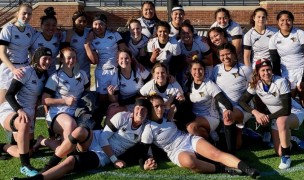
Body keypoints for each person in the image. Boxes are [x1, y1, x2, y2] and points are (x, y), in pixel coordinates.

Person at [13, 99, 156, 180]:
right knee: (80, 130)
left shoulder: (146, 128)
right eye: (137, 109)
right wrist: (115, 160)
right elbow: (104, 137)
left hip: (103, 155)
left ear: (147, 113)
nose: (139, 112)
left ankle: (35, 178)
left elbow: (146, 147)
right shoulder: (122, 116)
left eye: (143, 110)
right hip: (97, 139)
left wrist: (149, 159)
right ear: (133, 109)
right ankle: (47, 168)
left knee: (70, 160)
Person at [140, 94, 259, 178]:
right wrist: (144, 166)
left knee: (216, 154)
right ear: (150, 108)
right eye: (156, 106)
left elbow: (180, 106)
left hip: (188, 139)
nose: (160, 108)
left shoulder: (167, 115)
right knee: (190, 162)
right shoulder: (148, 129)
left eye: (161, 105)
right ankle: (223, 169)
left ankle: (247, 169)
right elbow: (143, 152)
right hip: (176, 151)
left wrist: (176, 100)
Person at [239, 59, 304, 169]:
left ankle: (286, 157)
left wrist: (267, 117)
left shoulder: (280, 81)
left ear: (272, 70)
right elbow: (242, 101)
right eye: (263, 70)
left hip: (294, 113)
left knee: (281, 121)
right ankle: (293, 139)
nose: (266, 73)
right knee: (279, 151)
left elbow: (286, 110)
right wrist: (256, 113)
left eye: (268, 69)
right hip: (276, 117)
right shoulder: (256, 83)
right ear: (258, 72)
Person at [0, 47, 52, 177]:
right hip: (11, 110)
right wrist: (19, 110)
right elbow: (9, 95)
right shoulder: (25, 72)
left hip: (27, 114)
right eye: (44, 58)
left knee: (24, 152)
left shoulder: (45, 76)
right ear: (36, 59)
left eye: (50, 59)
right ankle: (25, 167)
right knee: (23, 123)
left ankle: (2, 146)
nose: (47, 61)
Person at [38, 47, 89, 153]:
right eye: (68, 58)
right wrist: (64, 101)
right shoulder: (55, 77)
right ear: (61, 59)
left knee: (82, 146)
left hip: (77, 113)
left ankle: (43, 140)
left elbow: (87, 93)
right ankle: (69, 153)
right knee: (70, 125)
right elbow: (44, 100)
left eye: (74, 58)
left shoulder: (82, 75)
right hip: (58, 114)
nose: (71, 60)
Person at [84, 13, 127, 129]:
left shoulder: (114, 34)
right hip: (102, 72)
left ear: (106, 25)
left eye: (101, 24)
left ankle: (114, 124)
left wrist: (120, 57)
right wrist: (87, 44)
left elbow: (123, 48)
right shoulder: (92, 39)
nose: (98, 27)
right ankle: (98, 126)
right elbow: (94, 61)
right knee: (102, 100)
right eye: (95, 24)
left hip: (116, 71)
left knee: (115, 98)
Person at [211, 43, 252, 153]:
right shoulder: (216, 69)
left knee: (228, 116)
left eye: (228, 54)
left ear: (234, 54)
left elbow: (254, 87)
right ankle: (240, 130)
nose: (225, 57)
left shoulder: (245, 69)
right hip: (220, 109)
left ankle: (231, 155)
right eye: (222, 55)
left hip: (239, 107)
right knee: (238, 144)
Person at [182, 60, 233, 140]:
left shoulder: (209, 85)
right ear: (190, 71)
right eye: (194, 69)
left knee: (191, 127)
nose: (197, 72)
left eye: (200, 69)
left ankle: (210, 141)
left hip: (210, 117)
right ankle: (208, 134)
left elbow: (226, 102)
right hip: (195, 116)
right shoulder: (188, 84)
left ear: (204, 70)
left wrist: (228, 110)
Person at [0, 3, 36, 104]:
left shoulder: (30, 30)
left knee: (19, 102)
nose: (26, 16)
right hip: (9, 69)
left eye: (29, 14)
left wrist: (59, 33)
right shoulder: (8, 29)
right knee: (3, 103)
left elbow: (42, 36)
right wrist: (14, 69)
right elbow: (1, 54)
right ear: (17, 13)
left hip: (24, 69)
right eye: (24, 13)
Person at [269, 10, 304, 105]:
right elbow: (275, 63)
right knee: (290, 101)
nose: (285, 23)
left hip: (302, 69)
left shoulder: (300, 33)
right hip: (287, 73)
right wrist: (280, 79)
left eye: (288, 20)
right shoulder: (274, 39)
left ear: (292, 21)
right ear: (278, 22)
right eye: (282, 20)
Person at [106, 48, 151, 122]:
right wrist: (110, 94)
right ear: (118, 60)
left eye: (126, 58)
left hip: (141, 100)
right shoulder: (116, 77)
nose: (124, 60)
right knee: (111, 109)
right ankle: (105, 132)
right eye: (121, 58)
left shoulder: (139, 69)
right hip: (127, 103)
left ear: (131, 59)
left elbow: (152, 80)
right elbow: (115, 101)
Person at [30, 7, 65, 76]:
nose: (51, 28)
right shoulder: (34, 37)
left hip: (51, 73)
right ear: (41, 25)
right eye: (47, 25)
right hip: (34, 74)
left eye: (54, 25)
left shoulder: (59, 37)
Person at [65, 10, 93, 79]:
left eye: (84, 21)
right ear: (74, 21)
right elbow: (63, 51)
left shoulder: (89, 31)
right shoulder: (68, 34)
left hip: (85, 69)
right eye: (79, 21)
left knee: (86, 88)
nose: (82, 24)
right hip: (71, 69)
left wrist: (110, 29)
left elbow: (101, 30)